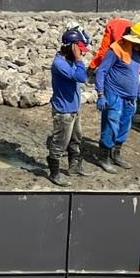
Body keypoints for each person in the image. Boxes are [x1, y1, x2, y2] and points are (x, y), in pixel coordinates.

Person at [94, 21, 140, 173]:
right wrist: (101, 94)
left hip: (130, 97)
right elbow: (101, 71)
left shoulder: (138, 52)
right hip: (114, 94)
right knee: (111, 124)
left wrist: (139, 93)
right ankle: (104, 157)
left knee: (124, 125)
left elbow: (134, 74)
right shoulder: (116, 49)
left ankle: (116, 153)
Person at [48, 26, 92, 187]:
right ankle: (54, 173)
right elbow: (81, 77)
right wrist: (79, 59)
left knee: (76, 139)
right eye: (79, 49)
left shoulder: (69, 60)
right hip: (63, 112)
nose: (82, 53)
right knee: (60, 143)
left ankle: (74, 166)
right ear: (71, 47)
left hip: (74, 108)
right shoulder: (60, 64)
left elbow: (87, 42)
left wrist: (84, 37)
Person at [88, 18, 140, 93]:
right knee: (104, 53)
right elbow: (103, 53)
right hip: (115, 27)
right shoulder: (120, 42)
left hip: (135, 32)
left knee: (139, 57)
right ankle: (89, 72)